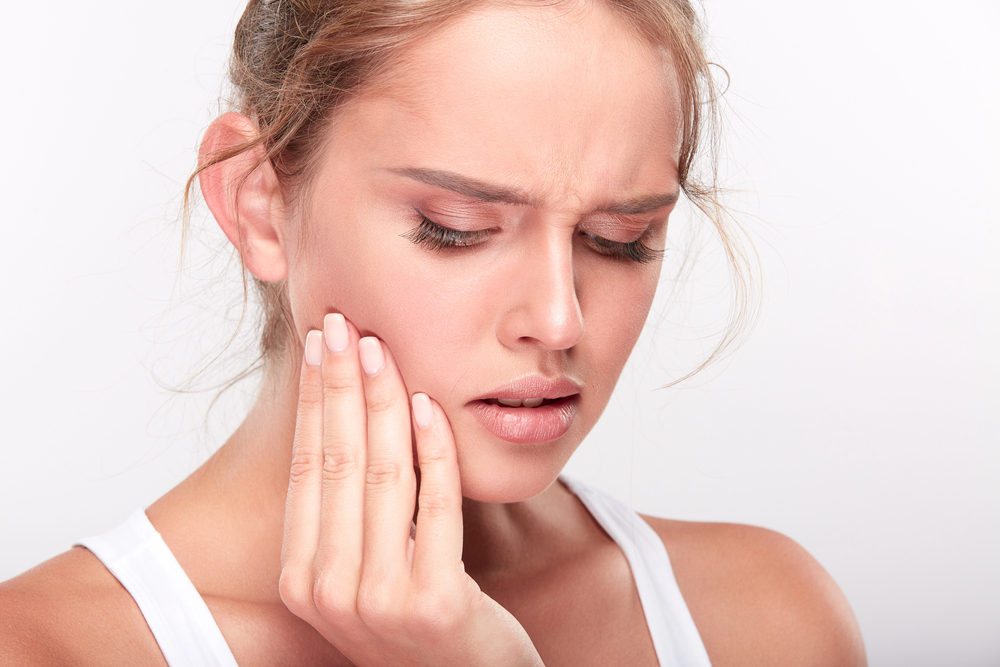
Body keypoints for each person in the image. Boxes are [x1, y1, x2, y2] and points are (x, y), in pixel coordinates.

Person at [0, 0, 867, 664]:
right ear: (260, 206)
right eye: (457, 229)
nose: (559, 319)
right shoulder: (41, 647)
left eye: (620, 239)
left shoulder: (763, 619)